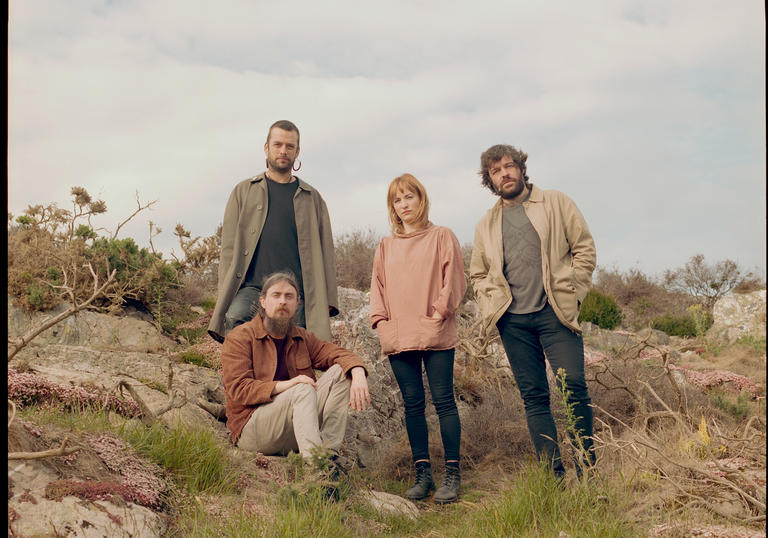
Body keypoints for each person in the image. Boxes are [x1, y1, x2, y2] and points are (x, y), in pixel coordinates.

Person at [469, 144, 597, 479]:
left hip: (556, 313)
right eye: (496, 171)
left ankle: (587, 470)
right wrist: (490, 305)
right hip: (513, 322)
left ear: (521, 169)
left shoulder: (555, 202)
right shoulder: (486, 223)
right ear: (489, 179)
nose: (504, 174)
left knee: (573, 386)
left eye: (509, 166)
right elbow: (478, 273)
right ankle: (553, 476)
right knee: (534, 398)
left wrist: (573, 292)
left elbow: (584, 247)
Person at [369, 174, 467, 504]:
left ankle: (452, 476)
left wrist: (439, 313)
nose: (404, 205)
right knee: (412, 404)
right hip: (399, 332)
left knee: (443, 400)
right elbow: (377, 288)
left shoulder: (442, 236)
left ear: (421, 199)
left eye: (409, 197)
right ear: (392, 207)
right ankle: (422, 475)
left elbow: (453, 280)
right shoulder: (385, 245)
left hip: (435, 328)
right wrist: (381, 322)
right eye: (397, 200)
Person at [208, 120, 338, 343]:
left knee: (294, 353)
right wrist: (225, 292)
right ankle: (240, 379)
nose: (283, 151)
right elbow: (228, 250)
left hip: (295, 294)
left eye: (290, 146)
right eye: (277, 144)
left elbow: (327, 253)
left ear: (297, 151)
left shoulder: (312, 198)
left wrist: (329, 301)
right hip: (252, 289)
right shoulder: (243, 191)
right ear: (266, 147)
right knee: (235, 320)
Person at [221, 272, 370, 465]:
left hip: (295, 428)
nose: (283, 301)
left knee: (343, 371)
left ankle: (327, 453)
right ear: (263, 302)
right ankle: (317, 469)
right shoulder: (240, 337)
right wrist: (289, 385)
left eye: (289, 296)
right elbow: (239, 389)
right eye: (276, 295)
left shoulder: (302, 337)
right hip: (252, 429)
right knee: (302, 388)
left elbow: (339, 354)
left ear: (297, 304)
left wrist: (357, 372)